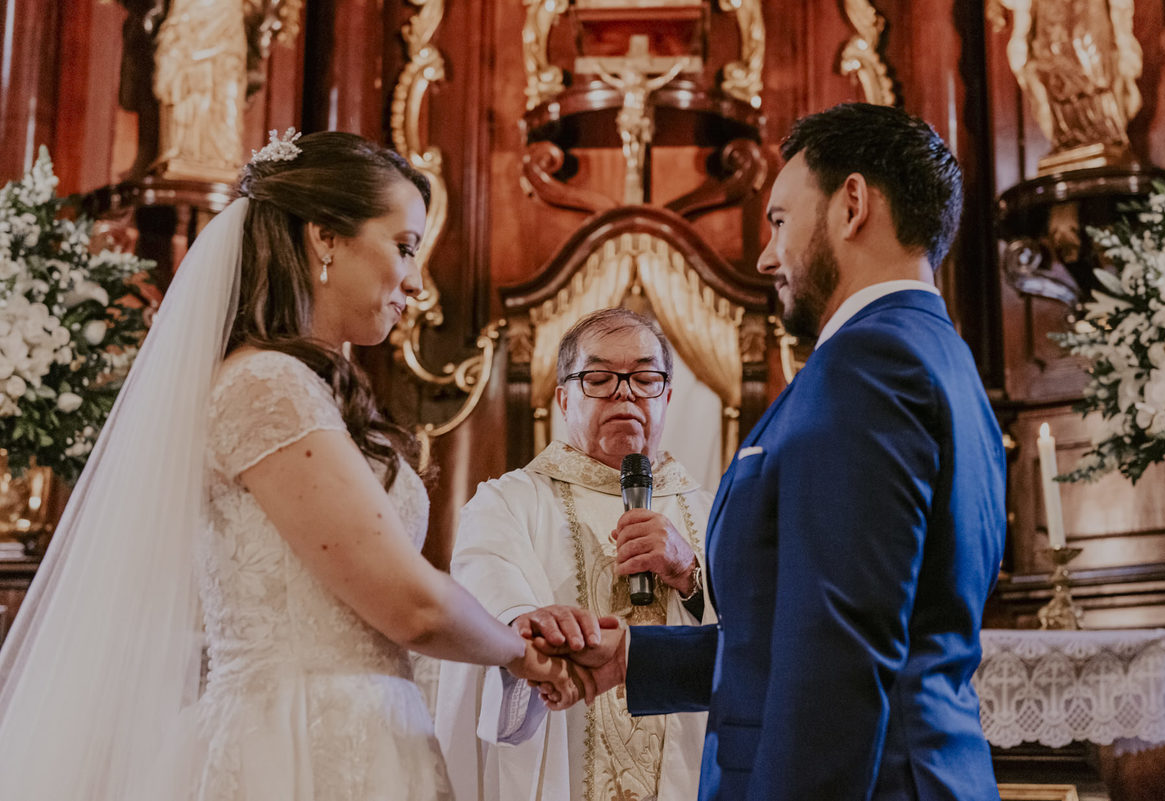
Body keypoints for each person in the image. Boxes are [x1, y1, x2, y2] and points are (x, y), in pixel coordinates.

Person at [0, 130, 585, 800]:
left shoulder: (305, 388)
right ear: (324, 239)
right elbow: (411, 605)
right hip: (298, 745)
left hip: (359, 730)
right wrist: (518, 648)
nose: (417, 281)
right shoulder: (266, 386)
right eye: (403, 247)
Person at [540, 103, 1008, 801]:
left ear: (852, 204)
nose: (766, 256)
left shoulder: (870, 364)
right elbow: (799, 631)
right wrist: (636, 654)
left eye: (780, 221)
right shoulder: (937, 354)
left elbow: (837, 657)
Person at [436, 308, 713, 801]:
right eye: (599, 378)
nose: (624, 392)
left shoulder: (709, 511)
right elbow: (490, 596)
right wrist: (535, 629)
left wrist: (688, 571)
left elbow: (757, 644)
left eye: (644, 377)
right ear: (564, 398)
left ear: (667, 396)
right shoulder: (509, 502)